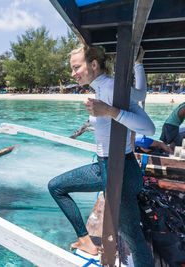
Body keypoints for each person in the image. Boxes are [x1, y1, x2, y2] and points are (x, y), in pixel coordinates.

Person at [48, 45, 155, 267]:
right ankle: (85, 240)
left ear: (93, 65)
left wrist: (110, 112)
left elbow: (149, 128)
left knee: (133, 238)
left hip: (118, 174)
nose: (73, 73)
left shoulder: (109, 87)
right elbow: (141, 94)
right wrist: (138, 64)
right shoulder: (106, 87)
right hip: (107, 168)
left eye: (76, 67)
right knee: (56, 186)